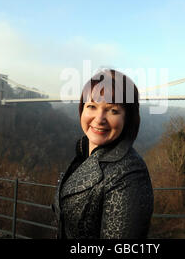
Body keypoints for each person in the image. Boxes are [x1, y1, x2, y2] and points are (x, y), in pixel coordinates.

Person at [52, 69, 154, 239]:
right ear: (82, 109)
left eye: (113, 110)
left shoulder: (130, 174)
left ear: (127, 119)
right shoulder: (83, 155)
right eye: (91, 106)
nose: (99, 118)